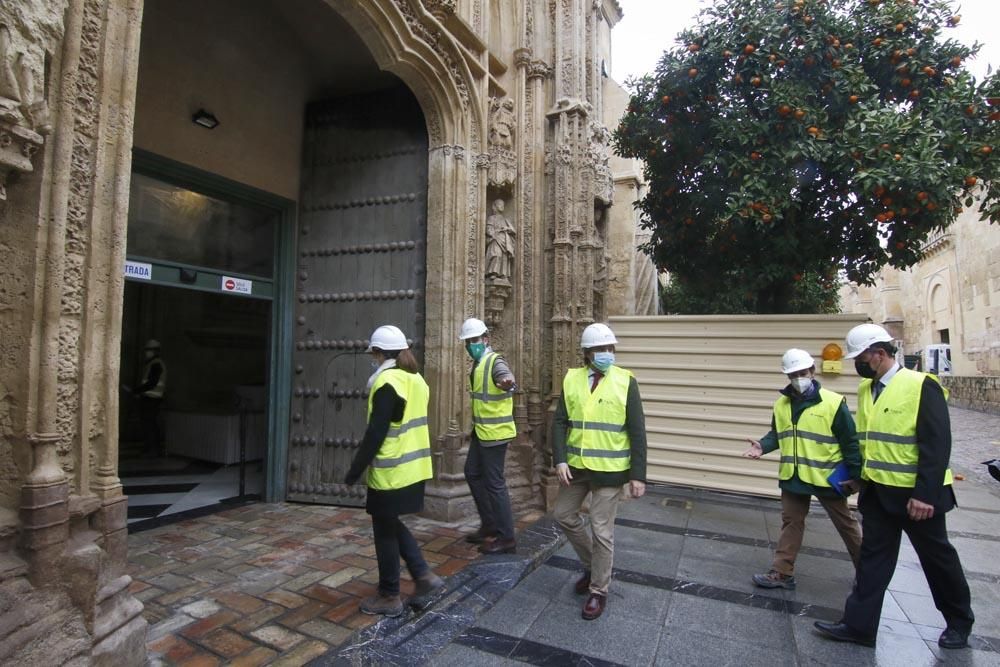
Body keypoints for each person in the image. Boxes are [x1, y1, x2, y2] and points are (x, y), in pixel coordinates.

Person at [815, 323, 974, 649]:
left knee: (937, 560)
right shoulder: (866, 389)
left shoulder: (920, 386)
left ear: (880, 353)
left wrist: (925, 494)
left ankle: (959, 622)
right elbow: (871, 442)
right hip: (878, 493)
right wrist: (859, 478)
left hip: (917, 498)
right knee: (873, 560)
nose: (857, 363)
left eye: (861, 356)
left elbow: (936, 443)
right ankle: (858, 626)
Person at [345, 325, 444, 617]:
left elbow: (376, 433)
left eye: (373, 354)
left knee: (384, 530)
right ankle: (423, 576)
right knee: (390, 524)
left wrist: (354, 470)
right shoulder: (416, 380)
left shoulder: (387, 383)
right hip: (414, 468)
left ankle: (389, 594)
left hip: (391, 470)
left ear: (378, 353)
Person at [743, 348, 863, 590]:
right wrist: (762, 446)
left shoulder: (833, 402)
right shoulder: (781, 404)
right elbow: (778, 434)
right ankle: (782, 572)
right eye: (793, 374)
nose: (798, 378)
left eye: (802, 372)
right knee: (791, 522)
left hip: (827, 477)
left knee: (846, 524)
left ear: (812, 370)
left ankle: (868, 571)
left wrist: (856, 475)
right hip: (794, 477)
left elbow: (850, 442)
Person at [551, 323, 647, 621]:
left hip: (610, 470)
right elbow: (559, 422)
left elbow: (637, 431)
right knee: (563, 514)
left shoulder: (625, 381)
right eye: (599, 349)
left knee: (601, 528)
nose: (606, 353)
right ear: (587, 353)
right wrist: (560, 459)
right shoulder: (572, 379)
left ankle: (598, 590)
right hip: (577, 467)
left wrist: (637, 475)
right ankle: (594, 564)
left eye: (610, 348)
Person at [458, 317, 518, 554]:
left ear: (486, 339)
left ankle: (507, 537)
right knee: (472, 473)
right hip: (482, 432)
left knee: (495, 483)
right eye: (468, 342)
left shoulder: (494, 362)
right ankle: (490, 525)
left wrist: (507, 383)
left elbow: (507, 379)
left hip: (495, 434)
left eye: (475, 340)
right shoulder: (478, 363)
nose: (472, 345)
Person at [134, 339, 167, 457]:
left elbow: (152, 382)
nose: (146, 353)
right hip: (150, 398)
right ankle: (151, 448)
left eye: (148, 350)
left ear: (154, 351)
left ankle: (153, 449)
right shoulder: (153, 363)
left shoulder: (156, 364)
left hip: (152, 399)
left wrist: (137, 390)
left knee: (149, 424)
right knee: (149, 424)